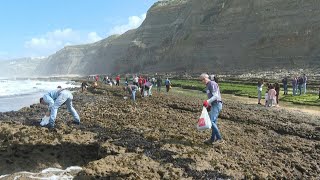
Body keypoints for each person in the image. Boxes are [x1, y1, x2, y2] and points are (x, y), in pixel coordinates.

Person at [200, 73, 223, 145]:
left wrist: (207, 102)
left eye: (202, 80)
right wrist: (209, 105)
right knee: (213, 123)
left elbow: (216, 96)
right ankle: (212, 139)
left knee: (211, 121)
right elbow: (211, 97)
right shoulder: (207, 86)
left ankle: (219, 139)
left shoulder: (212, 83)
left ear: (205, 78)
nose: (202, 82)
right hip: (213, 105)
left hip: (217, 104)